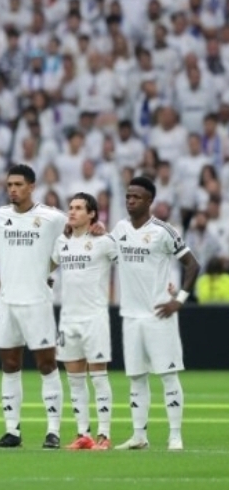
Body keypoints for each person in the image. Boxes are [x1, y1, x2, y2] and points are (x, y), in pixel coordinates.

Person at [111, 177, 199, 451]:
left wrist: (179, 300)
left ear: (149, 201)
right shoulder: (120, 228)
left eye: (136, 197)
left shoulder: (163, 230)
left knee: (168, 375)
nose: (130, 201)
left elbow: (192, 265)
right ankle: (139, 435)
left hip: (159, 314)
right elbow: (107, 253)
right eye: (128, 196)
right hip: (130, 315)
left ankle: (175, 435)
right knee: (136, 377)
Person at [0, 164, 67, 449]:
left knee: (47, 364)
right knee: (9, 364)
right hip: (7, 302)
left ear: (32, 187)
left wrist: (45, 270)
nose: (13, 189)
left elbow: (73, 238)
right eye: (9, 185)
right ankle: (12, 431)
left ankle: (53, 431)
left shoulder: (52, 218)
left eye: (18, 184)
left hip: (37, 302)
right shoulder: (0, 216)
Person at [50, 193, 117, 450]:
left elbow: (130, 264)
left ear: (92, 214)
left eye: (79, 208)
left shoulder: (104, 241)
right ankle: (83, 434)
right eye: (71, 207)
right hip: (68, 319)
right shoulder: (62, 242)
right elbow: (47, 267)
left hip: (94, 317)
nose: (72, 211)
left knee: (99, 377)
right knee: (75, 380)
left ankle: (104, 435)